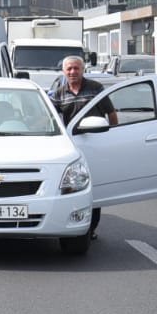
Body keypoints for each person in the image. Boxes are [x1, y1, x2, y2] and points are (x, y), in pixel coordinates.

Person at [49, 54, 106, 239]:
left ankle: (91, 228)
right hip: (70, 146)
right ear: (63, 72)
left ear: (83, 69)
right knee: (72, 188)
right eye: (69, 69)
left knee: (94, 187)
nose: (73, 72)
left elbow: (111, 114)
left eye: (76, 68)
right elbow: (52, 119)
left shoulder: (96, 88)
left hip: (94, 142)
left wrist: (110, 135)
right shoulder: (59, 93)